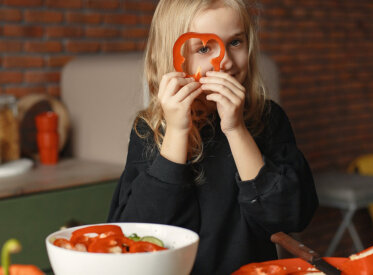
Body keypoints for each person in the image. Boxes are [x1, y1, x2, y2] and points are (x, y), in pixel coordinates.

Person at [108, 0, 318, 274]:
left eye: (235, 42)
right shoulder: (149, 130)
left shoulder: (268, 119)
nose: (226, 62)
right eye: (205, 48)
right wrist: (177, 132)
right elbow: (134, 235)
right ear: (174, 56)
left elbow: (291, 215)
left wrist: (236, 129)